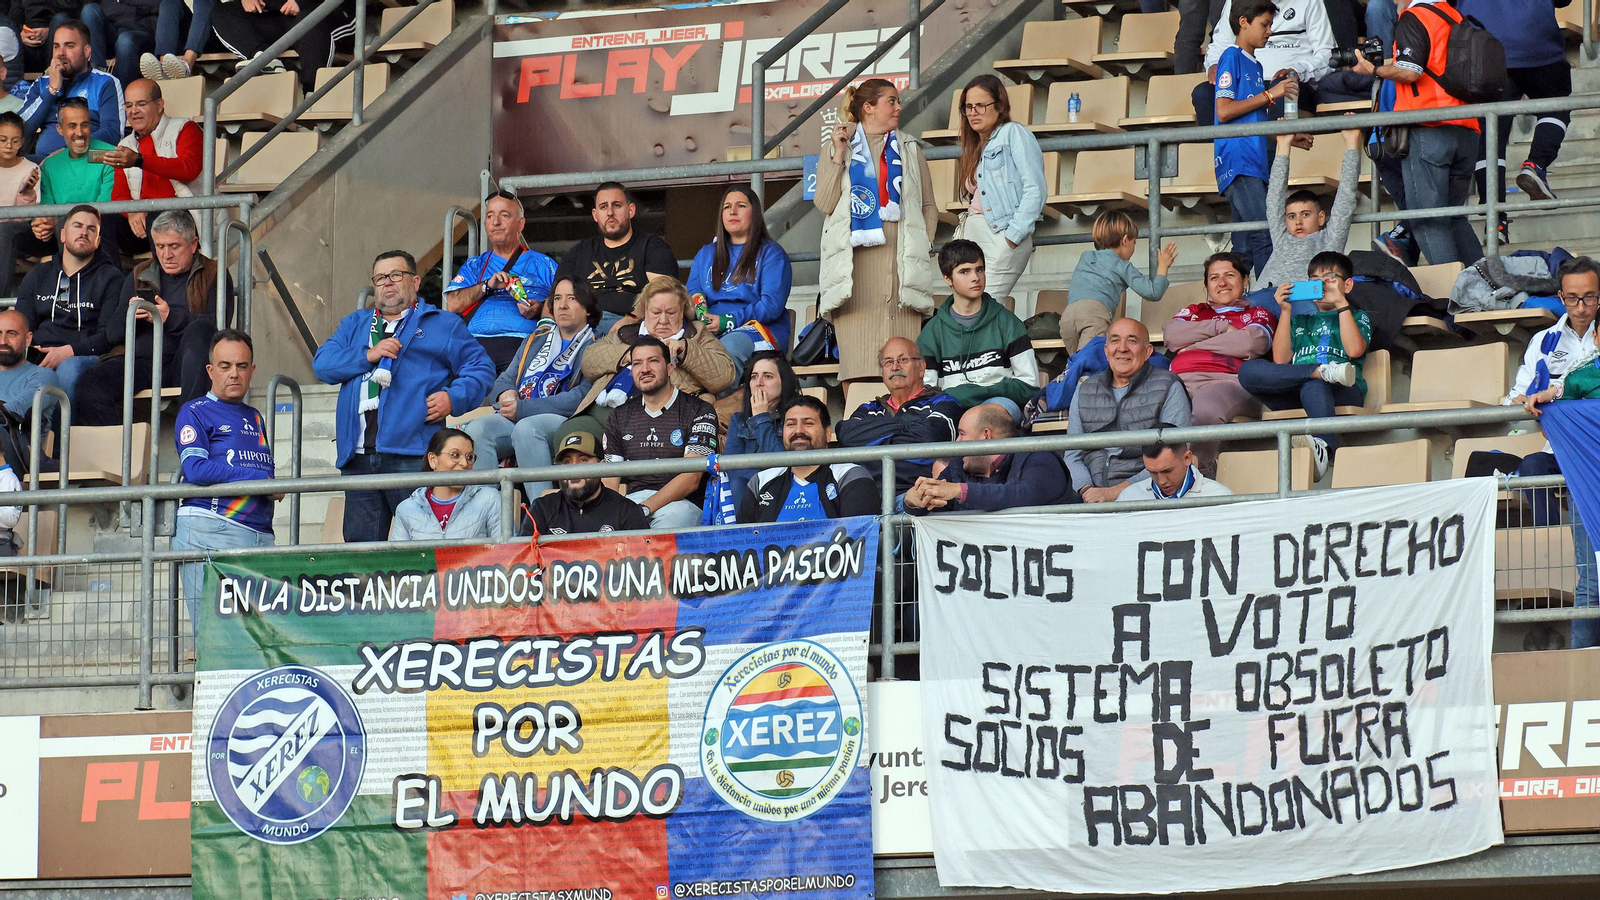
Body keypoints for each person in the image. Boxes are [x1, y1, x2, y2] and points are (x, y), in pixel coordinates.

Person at [311, 250, 494, 543]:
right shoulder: (356, 324)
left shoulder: (442, 323)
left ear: (416, 281)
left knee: (424, 546)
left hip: (413, 455)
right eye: (380, 278)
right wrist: (369, 354)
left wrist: (453, 398)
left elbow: (481, 368)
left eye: (396, 275)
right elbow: (323, 364)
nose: (387, 283)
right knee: (362, 555)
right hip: (357, 458)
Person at [815, 77, 939, 383]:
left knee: (904, 375)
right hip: (855, 279)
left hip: (901, 276)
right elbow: (825, 202)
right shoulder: (836, 146)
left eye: (897, 101)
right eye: (891, 101)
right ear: (869, 108)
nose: (898, 107)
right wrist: (838, 155)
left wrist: (922, 244)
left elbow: (928, 207)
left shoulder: (909, 148)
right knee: (857, 373)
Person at [1506, 255, 1599, 647]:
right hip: (1572, 456)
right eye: (1573, 299)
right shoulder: (1543, 342)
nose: (1581, 308)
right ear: (1561, 297)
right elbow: (1516, 399)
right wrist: (1529, 400)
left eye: (1590, 298)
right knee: (1591, 577)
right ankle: (1582, 669)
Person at [1352, 0, 1483, 266]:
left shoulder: (1415, 16)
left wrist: (1373, 69)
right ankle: (1483, 289)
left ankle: (1454, 295)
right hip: (1468, 128)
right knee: (1455, 217)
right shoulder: (1454, 15)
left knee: (1428, 219)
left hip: (1430, 128)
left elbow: (1410, 72)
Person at [75, 210, 231, 424]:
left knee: (201, 330)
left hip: (184, 363)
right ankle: (121, 452)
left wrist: (170, 318)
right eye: (159, 246)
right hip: (141, 362)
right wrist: (129, 316)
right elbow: (112, 335)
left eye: (174, 246)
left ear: (193, 244)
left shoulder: (214, 272)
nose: (166, 255)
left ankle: (192, 430)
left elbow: (220, 328)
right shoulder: (140, 274)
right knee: (90, 384)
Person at [170, 328, 274, 625]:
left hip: (258, 534)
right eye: (225, 366)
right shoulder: (194, 411)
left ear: (252, 370)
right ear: (210, 370)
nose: (234, 374)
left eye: (242, 366)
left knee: (258, 641)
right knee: (216, 640)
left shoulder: (255, 416)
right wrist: (256, 480)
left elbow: (263, 471)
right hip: (210, 530)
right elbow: (196, 470)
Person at [461, 276, 599, 500]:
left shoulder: (595, 346)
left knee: (527, 428)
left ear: (588, 308)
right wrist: (506, 393)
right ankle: (487, 512)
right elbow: (504, 379)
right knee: (478, 429)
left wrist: (523, 408)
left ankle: (541, 510)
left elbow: (580, 397)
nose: (562, 305)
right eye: (557, 298)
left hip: (563, 420)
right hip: (518, 413)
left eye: (572, 298)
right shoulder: (535, 339)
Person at [1238, 251, 1372, 478]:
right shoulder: (1300, 320)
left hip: (1344, 390)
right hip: (1297, 390)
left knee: (1315, 384)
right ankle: (1320, 372)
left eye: (1329, 279)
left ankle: (1324, 449)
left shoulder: (1358, 316)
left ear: (1347, 285)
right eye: (1314, 280)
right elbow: (1281, 360)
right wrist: (1286, 311)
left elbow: (1354, 350)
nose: (1321, 285)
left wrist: (1341, 303)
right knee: (1247, 371)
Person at [1167, 252, 1276, 475]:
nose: (1222, 283)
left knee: (1207, 404)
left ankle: (1197, 476)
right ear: (1206, 285)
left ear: (1245, 280)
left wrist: (1195, 345)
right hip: (1178, 381)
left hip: (1229, 383)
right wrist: (1221, 328)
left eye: (1230, 275)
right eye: (1214, 278)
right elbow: (1171, 336)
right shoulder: (1194, 311)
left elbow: (1249, 343)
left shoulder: (1257, 312)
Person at [1459, 0, 1571, 214]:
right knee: (1556, 104)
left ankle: (1495, 217)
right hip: (1537, 41)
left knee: (1490, 131)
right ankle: (1535, 165)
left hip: (1482, 44)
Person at [1213, 0, 1298, 278]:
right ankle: (1268, 302)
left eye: (1271, 25)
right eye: (1265, 24)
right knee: (1265, 234)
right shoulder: (1231, 56)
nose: (1270, 31)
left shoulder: (1256, 66)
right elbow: (1224, 111)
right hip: (1239, 160)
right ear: (1243, 22)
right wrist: (1271, 94)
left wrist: (1288, 137)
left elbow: (1251, 121)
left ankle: (1233, 308)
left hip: (1254, 160)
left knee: (1245, 248)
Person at [1065, 318, 1193, 503]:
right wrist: (1087, 490)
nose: (1122, 348)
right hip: (1088, 494)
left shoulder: (1169, 386)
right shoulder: (1085, 389)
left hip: (1148, 494)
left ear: (1148, 351)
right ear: (1106, 351)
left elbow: (1175, 458)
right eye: (1115, 341)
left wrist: (1115, 492)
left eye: (1132, 341)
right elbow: (1072, 455)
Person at [576, 275, 735, 419]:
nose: (663, 320)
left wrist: (686, 350)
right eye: (656, 312)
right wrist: (632, 354)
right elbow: (589, 361)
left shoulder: (697, 333)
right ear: (645, 311)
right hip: (605, 408)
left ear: (683, 311)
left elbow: (725, 377)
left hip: (664, 416)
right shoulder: (626, 332)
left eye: (671, 313)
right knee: (569, 432)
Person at [601, 336, 718, 528]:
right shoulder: (619, 416)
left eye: (653, 361)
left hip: (681, 504)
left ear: (670, 368)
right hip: (632, 502)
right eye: (637, 363)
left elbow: (691, 478)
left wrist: (645, 508)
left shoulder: (698, 410)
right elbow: (609, 480)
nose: (645, 369)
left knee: (665, 530)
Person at [13, 204, 123, 406]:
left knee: (68, 368)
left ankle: (58, 437)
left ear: (98, 241)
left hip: (82, 357)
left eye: (91, 229)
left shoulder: (111, 278)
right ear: (62, 235)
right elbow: (23, 326)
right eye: (78, 226)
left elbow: (107, 336)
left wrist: (68, 352)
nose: (84, 232)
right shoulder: (38, 275)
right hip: (40, 354)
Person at [917, 239, 1038, 419]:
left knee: (986, 417)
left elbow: (1030, 386)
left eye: (979, 269)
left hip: (999, 404)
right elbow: (926, 393)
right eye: (964, 271)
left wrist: (973, 393)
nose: (975, 277)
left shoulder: (1008, 323)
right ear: (947, 278)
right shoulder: (931, 333)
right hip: (951, 408)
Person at [443, 189, 559, 373]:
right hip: (474, 344)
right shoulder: (475, 265)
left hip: (525, 344)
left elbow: (568, 304)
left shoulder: (545, 265)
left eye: (504, 215)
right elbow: (453, 304)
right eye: (490, 216)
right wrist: (486, 286)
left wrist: (540, 309)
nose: (495, 222)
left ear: (520, 224)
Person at [955, 73, 1045, 304]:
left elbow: (1035, 189)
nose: (973, 112)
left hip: (1001, 233)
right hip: (974, 235)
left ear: (1000, 106)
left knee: (983, 306)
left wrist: (1012, 237)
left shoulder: (1013, 133)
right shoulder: (975, 144)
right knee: (968, 309)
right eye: (968, 107)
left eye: (981, 106)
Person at [685, 184, 793, 376]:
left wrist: (728, 321)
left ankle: (716, 405)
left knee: (727, 349)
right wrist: (703, 315)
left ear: (755, 214)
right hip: (711, 327)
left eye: (741, 206)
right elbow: (694, 291)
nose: (732, 211)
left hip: (758, 330)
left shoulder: (771, 254)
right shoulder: (706, 254)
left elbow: (771, 306)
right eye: (727, 207)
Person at [835, 337, 962, 495]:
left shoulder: (944, 402)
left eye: (903, 359)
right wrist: (906, 427)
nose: (895, 367)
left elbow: (928, 439)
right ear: (882, 372)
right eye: (888, 362)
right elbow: (847, 437)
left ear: (921, 368)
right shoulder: (869, 409)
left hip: (918, 495)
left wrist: (875, 444)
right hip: (869, 496)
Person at [553, 181, 677, 334]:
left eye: (617, 205)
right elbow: (555, 297)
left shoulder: (652, 246)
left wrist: (633, 318)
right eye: (603, 207)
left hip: (633, 326)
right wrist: (544, 325)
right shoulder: (579, 252)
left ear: (631, 210)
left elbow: (663, 293)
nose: (610, 212)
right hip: (583, 326)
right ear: (595, 215)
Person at [905, 403, 1072, 514]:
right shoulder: (959, 464)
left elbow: (1023, 495)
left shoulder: (1039, 457)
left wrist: (959, 491)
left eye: (962, 434)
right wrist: (913, 501)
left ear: (986, 435)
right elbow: (935, 506)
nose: (957, 442)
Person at [1254, 128, 1362, 299]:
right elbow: (1274, 197)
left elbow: (1345, 197)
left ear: (1321, 218)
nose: (1298, 222)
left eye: (1305, 215)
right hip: (1266, 298)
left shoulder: (1329, 240)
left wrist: (1351, 142)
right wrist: (1283, 145)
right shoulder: (1281, 237)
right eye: (1291, 216)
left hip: (1303, 301)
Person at [739, 395, 877, 523]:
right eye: (791, 424)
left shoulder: (850, 476)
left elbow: (858, 541)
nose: (798, 431)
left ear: (828, 434)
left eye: (808, 423)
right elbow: (742, 543)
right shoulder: (760, 482)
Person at [1061, 210, 1177, 355]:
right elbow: (1152, 292)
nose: (1134, 248)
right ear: (1125, 240)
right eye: (1134, 243)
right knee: (1091, 366)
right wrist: (1163, 267)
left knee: (1076, 365)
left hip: (1068, 316)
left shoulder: (1086, 257)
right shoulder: (1122, 266)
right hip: (1094, 316)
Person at [104, 79, 201, 251]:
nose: (134, 111)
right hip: (143, 224)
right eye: (128, 105)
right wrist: (132, 211)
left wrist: (139, 160)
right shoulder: (125, 144)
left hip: (185, 217)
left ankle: (162, 278)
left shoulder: (185, 128)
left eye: (141, 104)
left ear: (159, 105)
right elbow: (119, 196)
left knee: (157, 217)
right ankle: (113, 278)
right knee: (103, 223)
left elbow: (189, 169)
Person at [1200, 0, 1334, 123]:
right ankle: (1216, 148)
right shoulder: (1236, 2)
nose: (1270, 32)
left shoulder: (1309, 2)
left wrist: (1297, 71)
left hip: (1294, 81)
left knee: (1283, 87)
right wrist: (1214, 64)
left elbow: (1328, 55)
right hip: (1246, 81)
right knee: (1203, 93)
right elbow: (1219, 46)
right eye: (1265, 25)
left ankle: (1274, 148)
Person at [19, 20, 123, 160]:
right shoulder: (42, 84)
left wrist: (67, 152)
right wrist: (51, 90)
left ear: (86, 51)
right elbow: (20, 129)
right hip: (42, 163)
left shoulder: (105, 82)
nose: (61, 53)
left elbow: (112, 133)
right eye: (56, 47)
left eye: (69, 46)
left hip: (85, 160)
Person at [211, 0, 356, 94]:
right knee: (222, 12)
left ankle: (312, 93)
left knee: (311, 23)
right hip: (279, 14)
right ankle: (262, 58)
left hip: (325, 9)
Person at [389, 428, 504, 541]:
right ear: (433, 460)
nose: (465, 463)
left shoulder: (489, 499)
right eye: (455, 455)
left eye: (469, 457)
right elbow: (398, 559)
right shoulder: (406, 509)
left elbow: (508, 554)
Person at [530, 431, 650, 535]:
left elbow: (644, 559)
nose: (574, 469)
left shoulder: (627, 511)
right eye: (567, 462)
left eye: (583, 460)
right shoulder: (542, 509)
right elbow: (521, 558)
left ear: (602, 466)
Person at [31, 97, 113, 245]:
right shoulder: (50, 164)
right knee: (8, 230)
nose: (80, 132)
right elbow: (46, 209)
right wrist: (42, 224)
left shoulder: (108, 155)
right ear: (60, 129)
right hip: (56, 234)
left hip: (97, 229)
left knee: (65, 224)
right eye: (72, 126)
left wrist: (61, 223)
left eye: (85, 125)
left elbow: (105, 210)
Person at [723, 349, 800, 500]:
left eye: (768, 376)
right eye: (754, 377)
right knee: (737, 484)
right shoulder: (738, 420)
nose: (759, 383)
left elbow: (782, 466)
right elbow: (731, 467)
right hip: (747, 493)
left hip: (785, 492)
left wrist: (761, 419)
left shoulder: (795, 419)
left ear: (784, 382)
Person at [79, 0, 175, 86]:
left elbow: (159, 4)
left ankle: (120, 95)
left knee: (125, 40)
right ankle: (96, 73)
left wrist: (122, 2)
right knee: (90, 10)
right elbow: (100, 5)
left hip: (142, 33)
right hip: (113, 31)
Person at [1115, 436, 1236, 502]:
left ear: (1187, 458)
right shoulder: (1129, 497)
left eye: (1167, 471)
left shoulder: (1219, 497)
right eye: (1152, 472)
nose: (1162, 481)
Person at [0, 111, 41, 296]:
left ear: (22, 142)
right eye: (2, 140)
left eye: (15, 141)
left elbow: (26, 217)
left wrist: (28, 193)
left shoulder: (30, 169)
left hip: (18, 231)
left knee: (6, 231)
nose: (9, 146)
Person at [0, 309, 60, 431]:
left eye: (11, 334)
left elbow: (17, 409)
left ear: (28, 339)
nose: (3, 341)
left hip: (15, 445)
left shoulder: (43, 376)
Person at [138, 0, 215, 80]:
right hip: (189, 36)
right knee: (170, 2)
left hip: (215, 33)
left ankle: (187, 65)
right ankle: (164, 66)